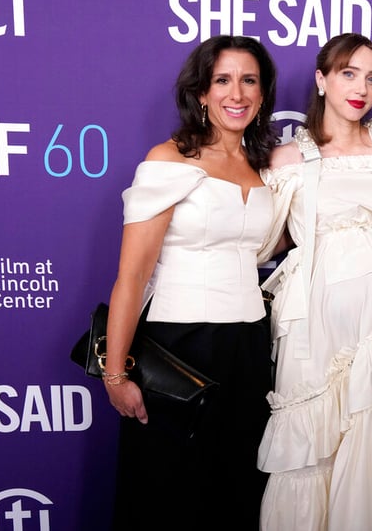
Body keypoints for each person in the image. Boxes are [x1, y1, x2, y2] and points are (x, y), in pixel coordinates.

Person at [255, 32, 372, 531]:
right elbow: (262, 243)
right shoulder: (287, 160)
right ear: (321, 80)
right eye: (348, 73)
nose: (361, 87)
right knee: (313, 454)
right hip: (317, 333)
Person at [102, 35, 278, 530]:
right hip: (179, 345)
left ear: (263, 95)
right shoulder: (169, 159)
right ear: (201, 92)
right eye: (222, 80)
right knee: (168, 493)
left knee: (236, 489)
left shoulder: (263, 168)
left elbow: (277, 242)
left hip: (248, 345)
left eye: (249, 81)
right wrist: (116, 374)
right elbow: (131, 277)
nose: (236, 93)